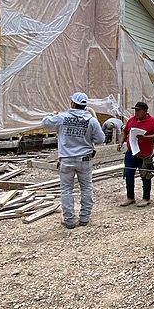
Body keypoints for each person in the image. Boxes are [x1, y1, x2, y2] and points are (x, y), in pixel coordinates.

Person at [42, 92, 105, 228]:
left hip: (66, 160)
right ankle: (84, 218)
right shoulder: (91, 120)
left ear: (72, 103)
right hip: (85, 160)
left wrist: (52, 114)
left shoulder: (62, 118)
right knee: (86, 188)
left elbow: (45, 122)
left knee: (66, 190)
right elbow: (101, 139)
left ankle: (69, 220)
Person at [117, 101, 154, 207]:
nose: (136, 112)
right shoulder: (131, 120)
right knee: (129, 174)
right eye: (135, 110)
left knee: (146, 176)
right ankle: (130, 197)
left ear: (145, 111)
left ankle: (146, 198)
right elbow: (125, 132)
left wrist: (145, 137)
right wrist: (121, 142)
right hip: (131, 153)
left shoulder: (153, 121)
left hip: (145, 154)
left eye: (138, 110)